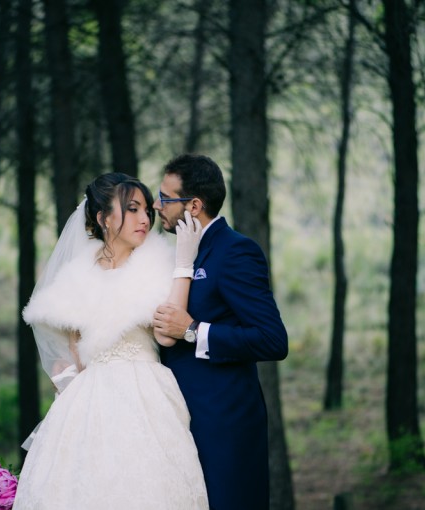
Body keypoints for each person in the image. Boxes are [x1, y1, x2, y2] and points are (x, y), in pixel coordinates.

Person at [13, 173, 209, 510]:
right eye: (132, 210)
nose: (145, 219)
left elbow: (167, 331)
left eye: (147, 210)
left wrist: (183, 264)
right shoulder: (77, 274)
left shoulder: (157, 263)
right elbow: (77, 351)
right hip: (90, 399)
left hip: (147, 393)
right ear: (103, 218)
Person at [152, 154, 289, 510]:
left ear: (194, 205)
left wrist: (194, 330)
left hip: (224, 424)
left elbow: (272, 339)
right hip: (176, 421)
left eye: (166, 198)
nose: (157, 205)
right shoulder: (176, 253)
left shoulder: (235, 252)